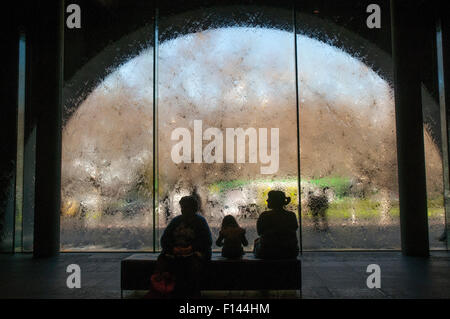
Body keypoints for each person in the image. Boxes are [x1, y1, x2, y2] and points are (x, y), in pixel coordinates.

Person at [151, 195, 212, 298]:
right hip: (179, 252)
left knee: (192, 265)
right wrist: (173, 249)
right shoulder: (177, 221)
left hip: (192, 254)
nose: (183, 210)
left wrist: (190, 249)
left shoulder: (200, 222)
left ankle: (187, 292)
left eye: (186, 207)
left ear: (193, 208)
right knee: (165, 261)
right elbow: (164, 239)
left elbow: (206, 241)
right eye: (183, 207)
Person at [254, 190, 299, 259]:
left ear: (273, 201)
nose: (267, 200)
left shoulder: (264, 215)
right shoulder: (291, 215)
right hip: (290, 251)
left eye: (269, 198)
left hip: (267, 252)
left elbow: (259, 232)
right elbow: (293, 229)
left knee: (257, 241)